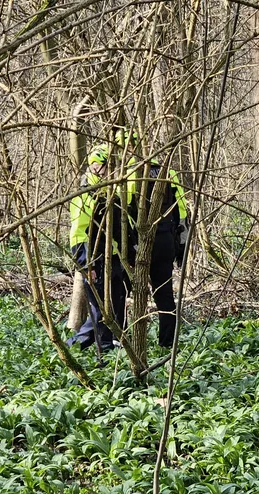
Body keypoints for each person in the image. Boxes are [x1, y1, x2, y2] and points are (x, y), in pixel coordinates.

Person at [67, 132, 190, 351]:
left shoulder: (129, 176)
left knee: (121, 295)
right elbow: (181, 213)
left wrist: (131, 249)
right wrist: (181, 246)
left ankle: (117, 340)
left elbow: (129, 217)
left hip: (139, 246)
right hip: (164, 243)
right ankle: (166, 343)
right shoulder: (166, 171)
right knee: (159, 296)